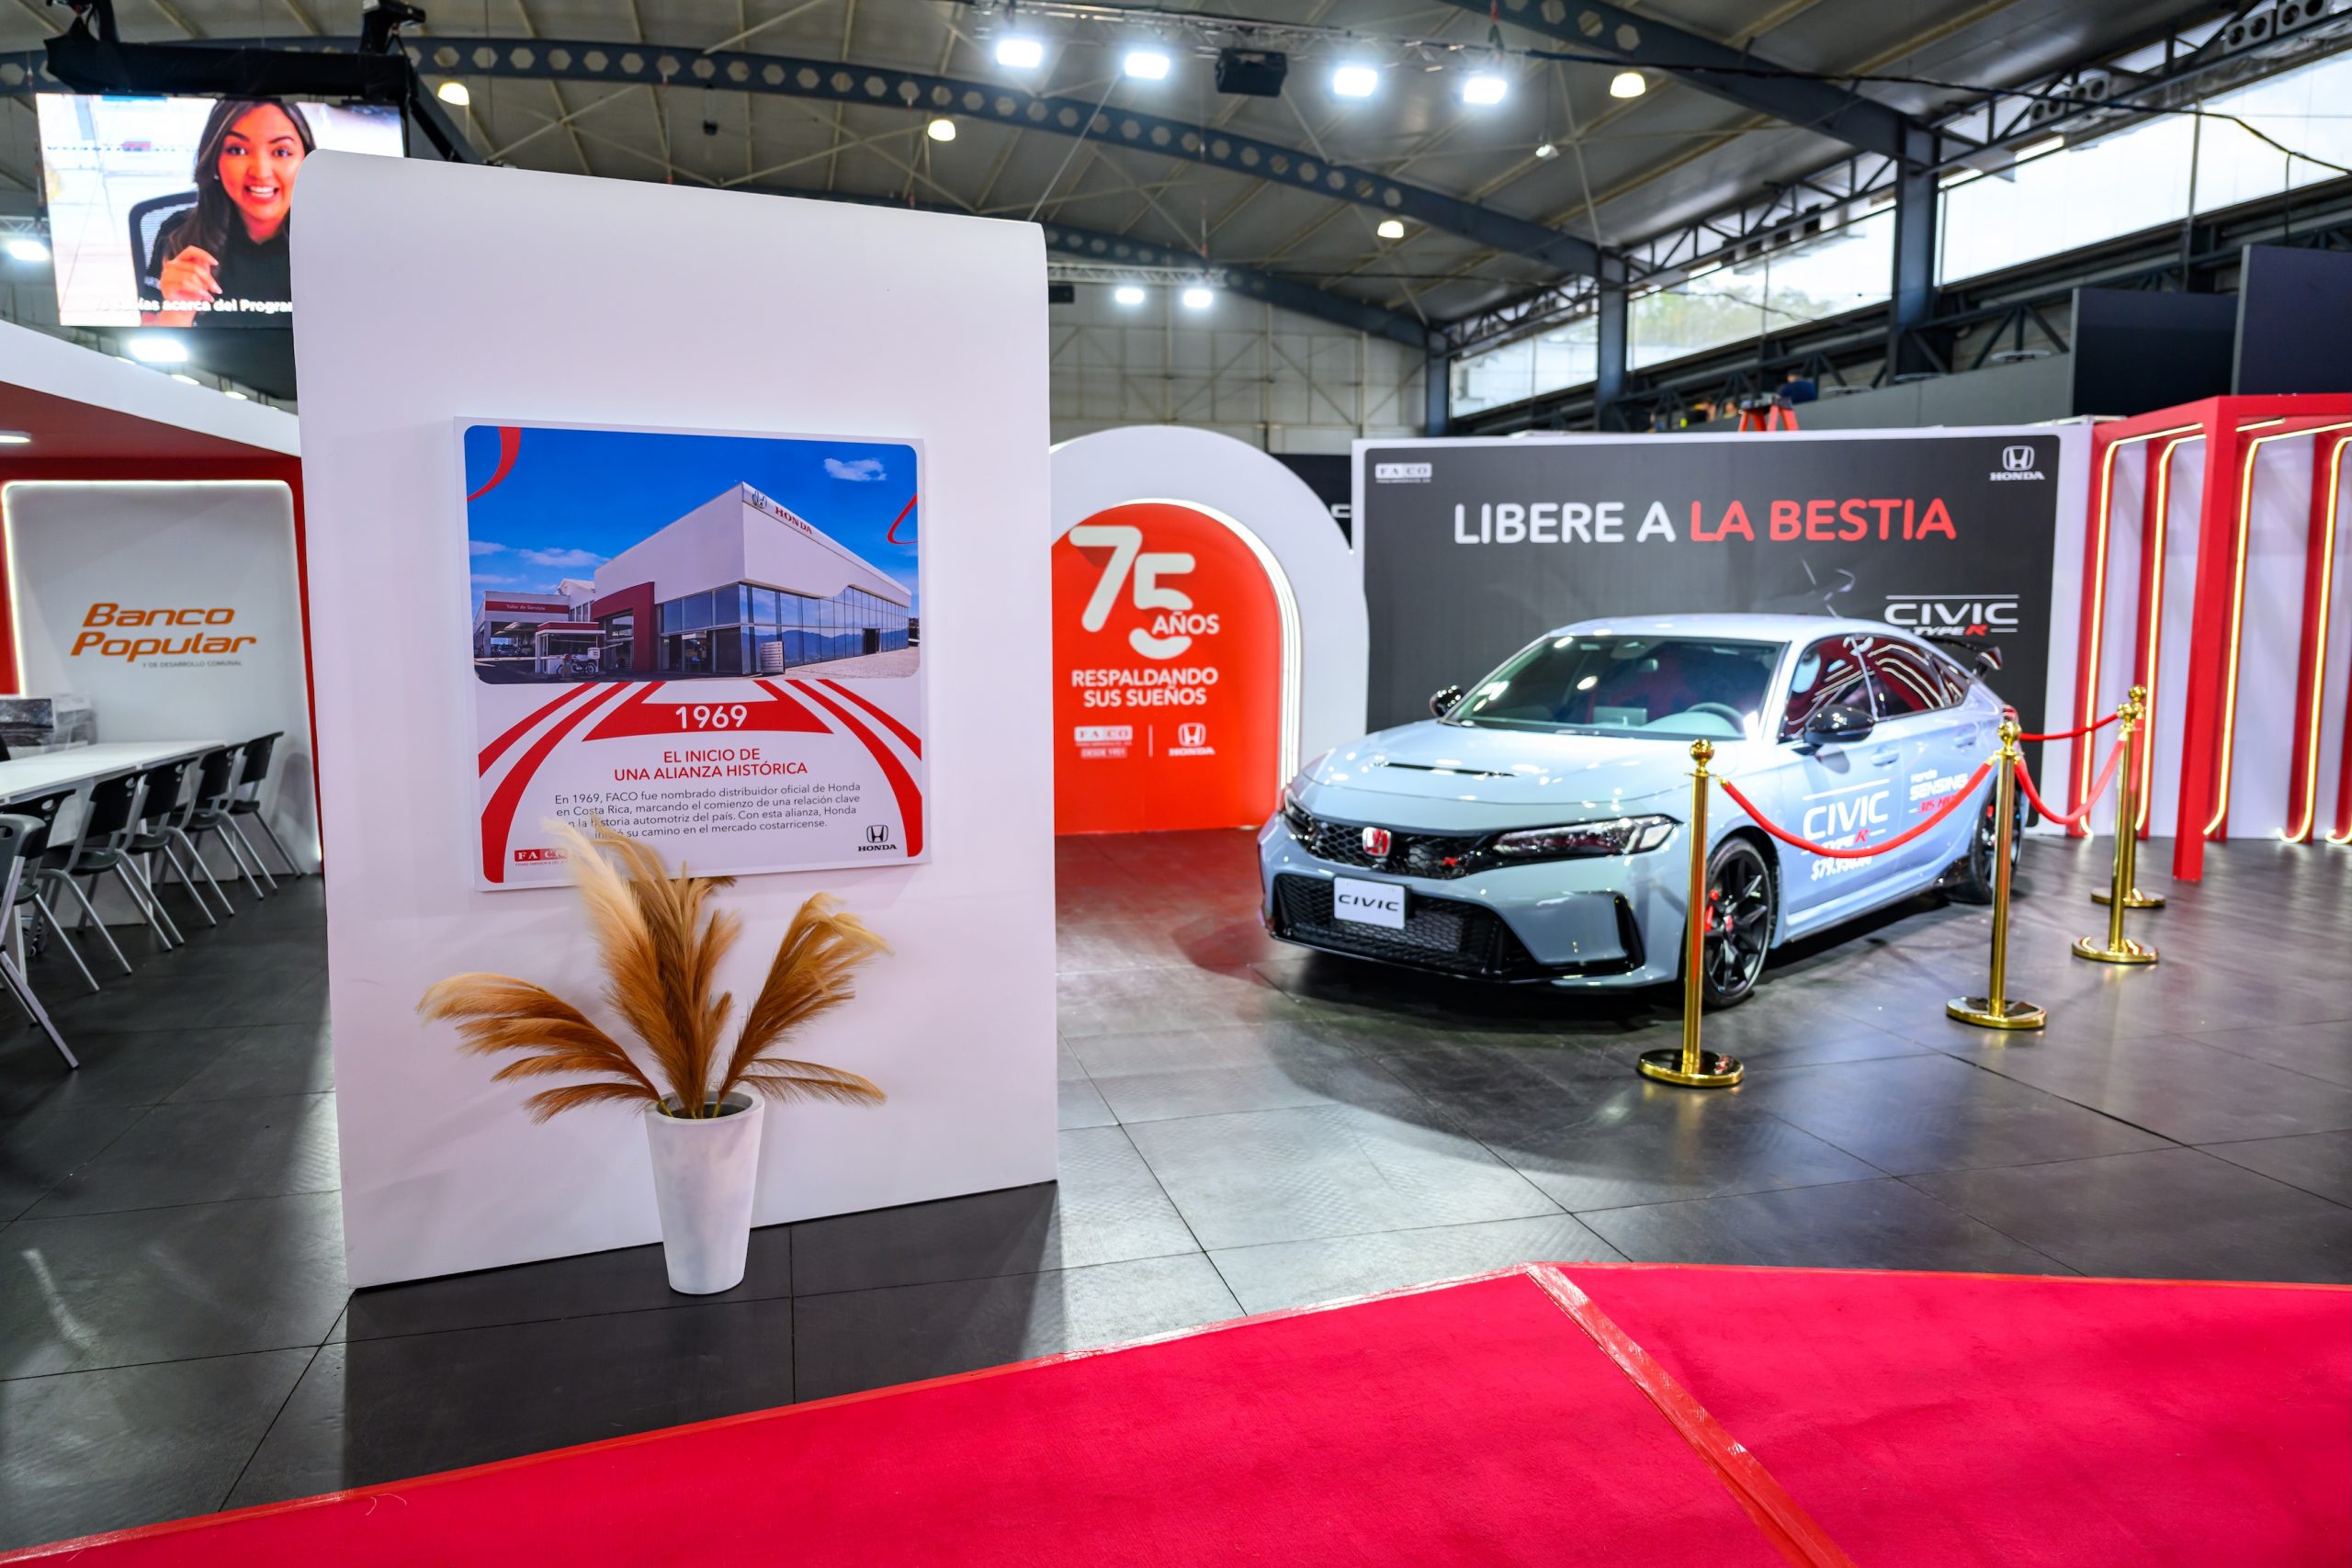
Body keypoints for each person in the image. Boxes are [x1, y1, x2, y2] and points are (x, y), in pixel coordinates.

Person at [141, 98, 315, 327]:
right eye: (238, 150)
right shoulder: (178, 233)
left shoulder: (336, 240)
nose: (261, 172)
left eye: (281, 152)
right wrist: (178, 311)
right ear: (215, 160)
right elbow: (148, 334)